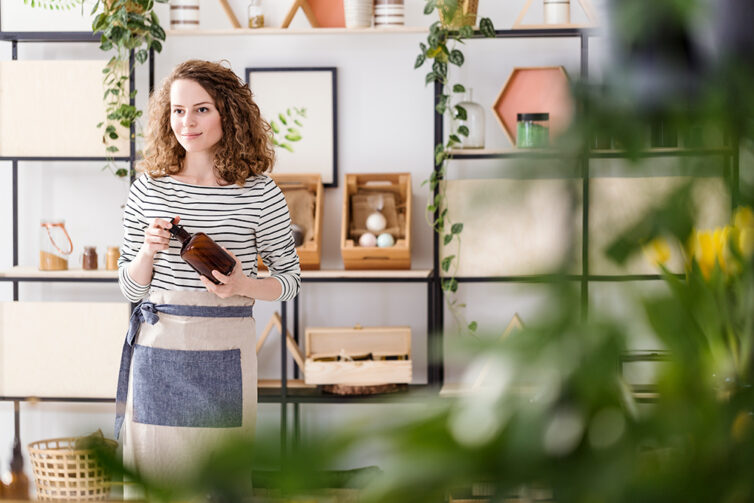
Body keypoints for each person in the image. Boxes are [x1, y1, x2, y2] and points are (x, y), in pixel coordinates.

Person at [114, 59, 301, 490]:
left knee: (222, 483)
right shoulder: (149, 188)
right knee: (154, 482)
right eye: (178, 110)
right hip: (158, 349)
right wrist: (148, 250)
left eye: (201, 109)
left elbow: (289, 281)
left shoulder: (259, 191)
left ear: (228, 114)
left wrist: (241, 284)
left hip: (225, 350)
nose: (187, 122)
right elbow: (129, 284)